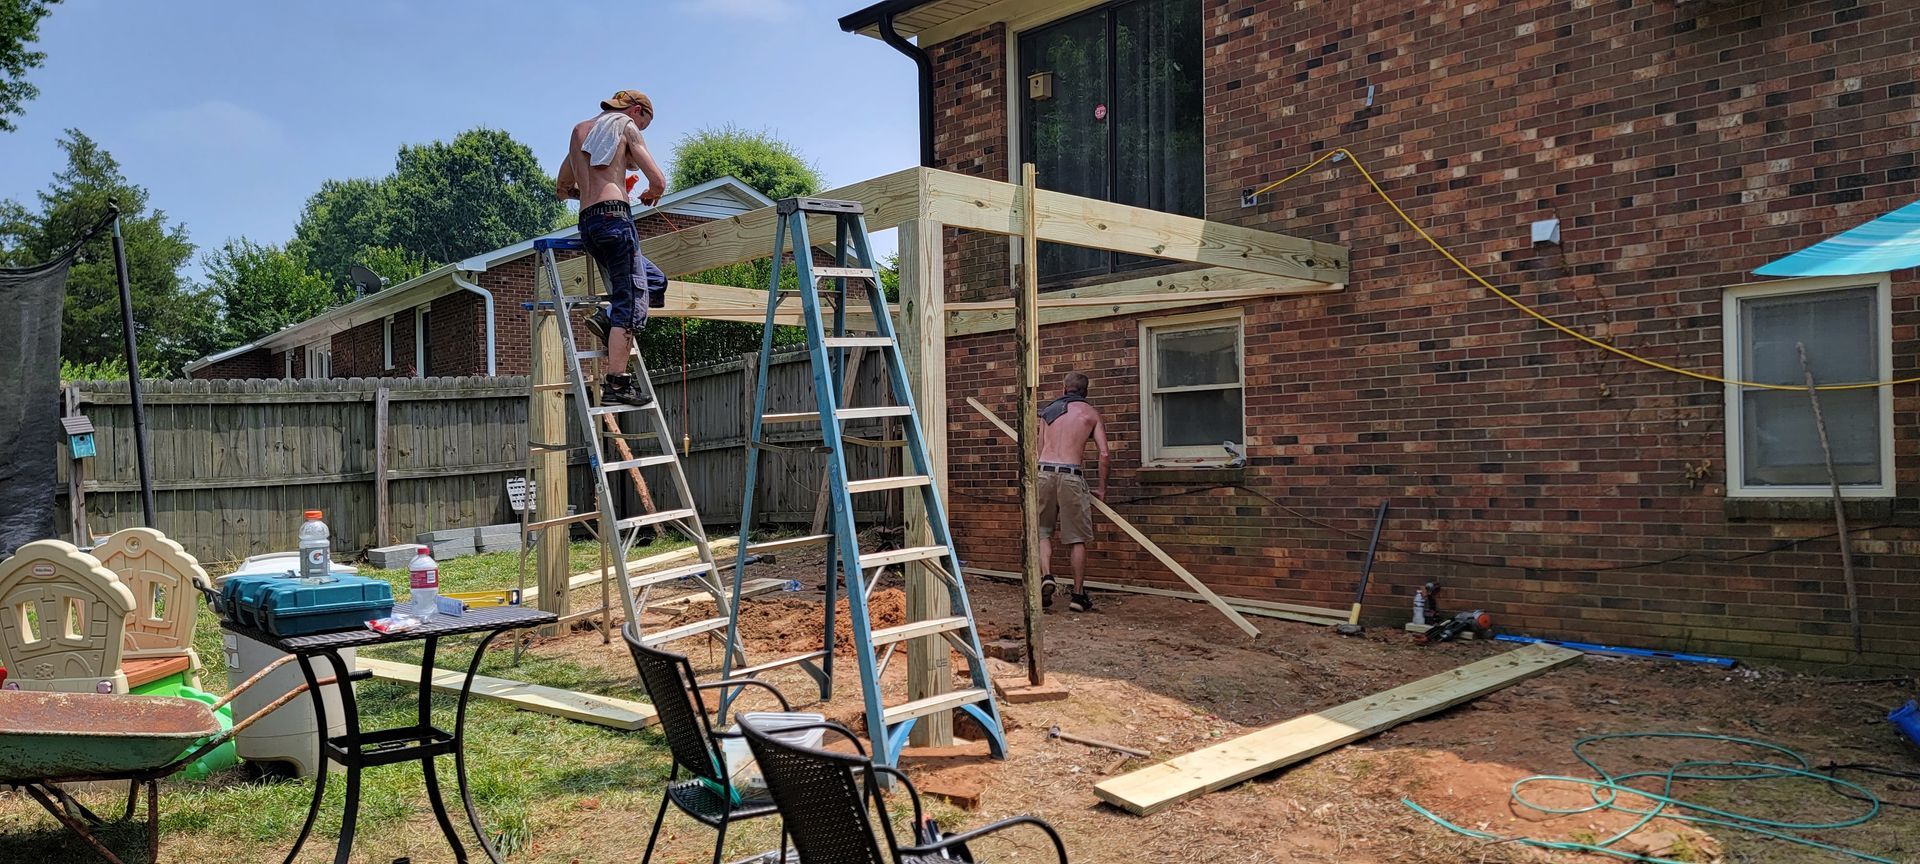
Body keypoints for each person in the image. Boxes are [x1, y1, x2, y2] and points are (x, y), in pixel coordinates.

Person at [555, 89, 670, 407]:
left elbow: (562, 189)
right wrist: (648, 195)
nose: (642, 132)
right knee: (630, 303)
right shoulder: (625, 125)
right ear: (637, 111)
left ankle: (607, 318)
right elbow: (658, 181)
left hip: (589, 224)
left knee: (655, 282)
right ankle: (617, 384)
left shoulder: (579, 133)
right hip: (615, 220)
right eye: (645, 124)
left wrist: (593, 191)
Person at [1036, 371, 1109, 613]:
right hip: (1070, 475)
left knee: (1042, 532)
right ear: (1085, 391)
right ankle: (1077, 596)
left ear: (1064, 388)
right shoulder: (1090, 414)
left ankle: (1046, 575)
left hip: (1043, 473)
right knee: (1076, 539)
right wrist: (1101, 488)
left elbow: (1038, 451)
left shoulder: (1048, 413)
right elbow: (1104, 454)